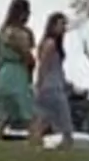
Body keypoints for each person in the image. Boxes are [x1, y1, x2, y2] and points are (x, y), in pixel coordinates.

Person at [0, 0, 36, 137]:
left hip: (3, 74)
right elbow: (28, 57)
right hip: (18, 74)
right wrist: (30, 74)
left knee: (3, 116)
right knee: (29, 113)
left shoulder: (3, 32)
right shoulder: (21, 33)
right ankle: (36, 141)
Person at [26, 12, 73, 148]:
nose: (63, 27)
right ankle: (60, 142)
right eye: (61, 24)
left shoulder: (55, 44)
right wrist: (39, 85)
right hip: (51, 87)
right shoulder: (50, 44)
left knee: (44, 119)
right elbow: (43, 66)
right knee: (63, 121)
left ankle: (35, 142)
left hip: (55, 85)